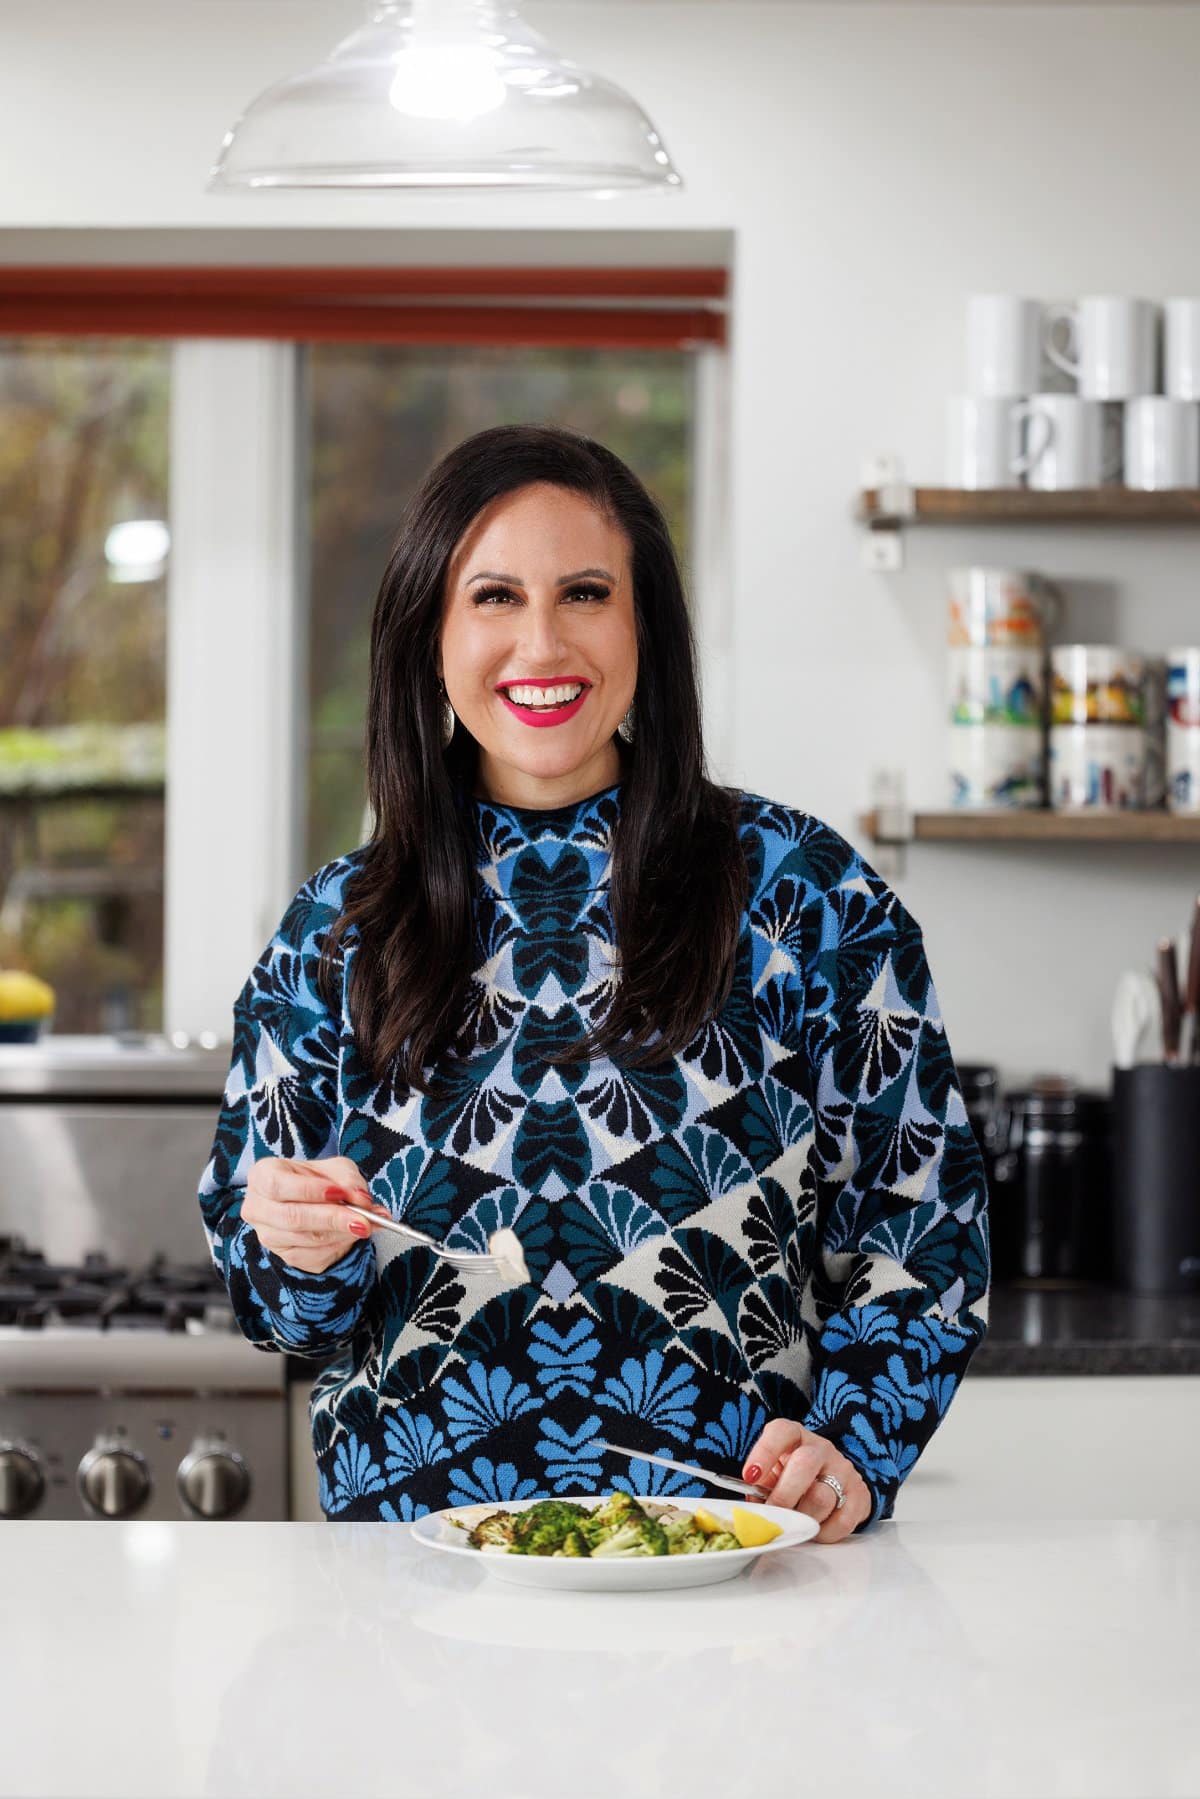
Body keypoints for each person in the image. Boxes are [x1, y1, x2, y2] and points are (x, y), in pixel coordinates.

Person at [198, 424, 990, 1539]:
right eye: (493, 597)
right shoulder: (336, 927)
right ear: (428, 633)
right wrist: (298, 1246)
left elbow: (925, 1223)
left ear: (643, 629)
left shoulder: (805, 895)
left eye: (583, 592)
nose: (541, 641)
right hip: (410, 1608)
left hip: (736, 1574)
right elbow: (282, 1316)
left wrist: (855, 1449)